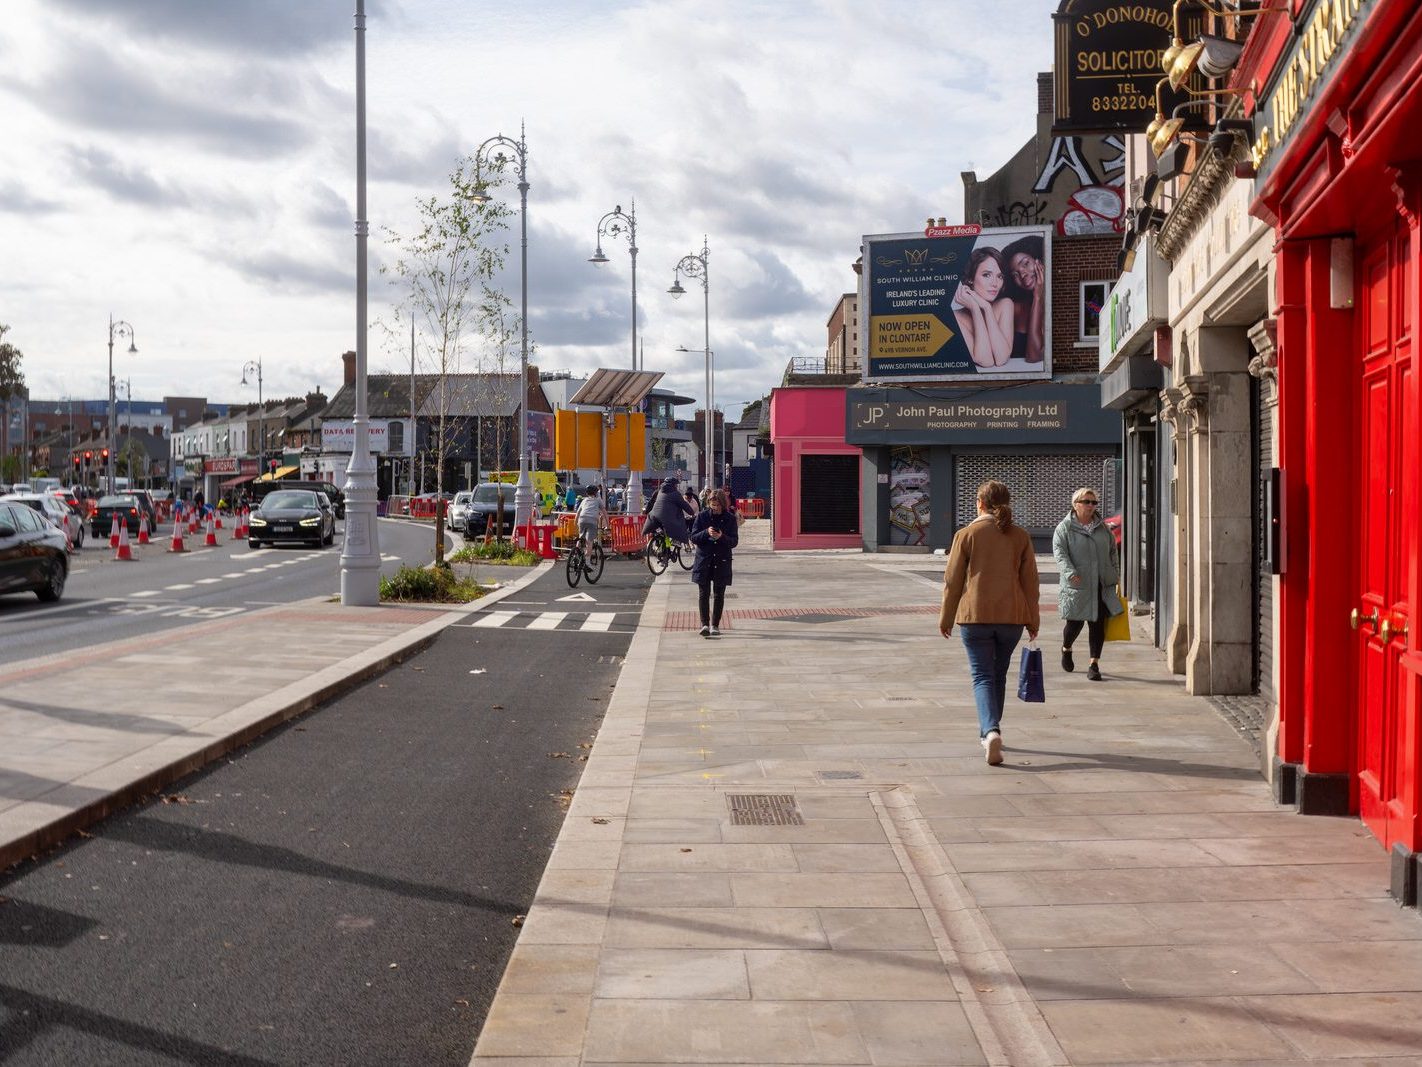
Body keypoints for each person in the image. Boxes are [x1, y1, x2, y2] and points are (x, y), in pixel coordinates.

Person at [939, 480, 1040, 766]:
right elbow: (1030, 583)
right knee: (998, 674)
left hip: (975, 616)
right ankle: (992, 728)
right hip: (1012, 618)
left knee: (981, 675)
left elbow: (953, 581)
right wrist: (1033, 618)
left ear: (980, 503)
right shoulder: (1020, 536)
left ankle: (990, 731)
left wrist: (946, 617)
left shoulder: (967, 534)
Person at [1052, 487, 1122, 681]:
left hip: (1101, 584)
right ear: (1076, 504)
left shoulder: (1103, 528)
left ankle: (1094, 664)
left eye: (1094, 502)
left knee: (1097, 625)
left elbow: (1112, 552)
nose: (1091, 506)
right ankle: (1066, 648)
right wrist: (1069, 572)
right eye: (1087, 502)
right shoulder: (1064, 528)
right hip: (1077, 584)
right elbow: (1060, 553)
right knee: (1074, 625)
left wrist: (1114, 573)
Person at [953, 248, 1016, 369]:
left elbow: (1001, 359)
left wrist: (987, 308)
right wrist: (975, 309)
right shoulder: (955, 317)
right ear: (970, 279)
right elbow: (985, 361)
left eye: (1000, 276)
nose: (995, 283)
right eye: (986, 275)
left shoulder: (1005, 304)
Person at [690, 488, 738, 637]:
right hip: (704, 559)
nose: (715, 508)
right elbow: (693, 537)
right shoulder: (702, 517)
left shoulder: (730, 519)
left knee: (719, 594)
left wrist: (722, 537)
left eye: (717, 505)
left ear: (723, 504)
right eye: (712, 505)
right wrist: (706, 533)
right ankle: (704, 624)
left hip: (721, 560)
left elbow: (734, 541)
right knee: (703, 593)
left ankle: (715, 625)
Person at [1001, 234, 1047, 365]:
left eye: (1026, 263)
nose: (1022, 274)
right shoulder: (1013, 308)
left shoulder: (1059, 300)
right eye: (1015, 274)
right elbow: (1033, 356)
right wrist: (1037, 298)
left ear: (1039, 261)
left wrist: (1040, 297)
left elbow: (1036, 355)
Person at [642, 476, 695, 546]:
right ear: (673, 485)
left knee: (663, 531)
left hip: (653, 517)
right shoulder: (676, 494)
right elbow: (684, 505)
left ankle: (662, 547)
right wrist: (692, 513)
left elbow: (651, 503)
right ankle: (676, 540)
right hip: (666, 519)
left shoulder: (659, 492)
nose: (676, 486)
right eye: (676, 485)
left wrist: (646, 512)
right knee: (679, 523)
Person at [574, 485, 606, 553]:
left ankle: (575, 554)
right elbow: (605, 513)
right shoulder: (598, 500)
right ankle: (587, 561)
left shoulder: (584, 500)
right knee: (589, 541)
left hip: (582, 519)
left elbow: (578, 513)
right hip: (592, 520)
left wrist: (575, 523)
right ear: (596, 493)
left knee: (580, 538)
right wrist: (608, 526)